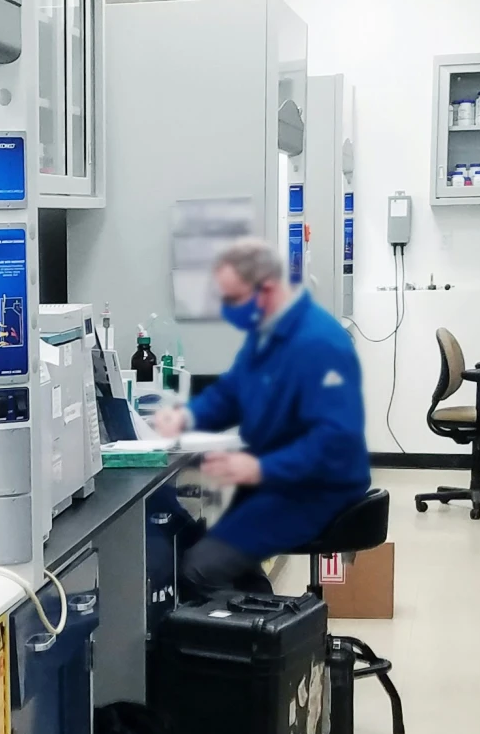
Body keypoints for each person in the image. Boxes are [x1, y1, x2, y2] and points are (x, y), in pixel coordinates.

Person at [152, 237, 370, 596]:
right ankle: (264, 620)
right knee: (201, 537)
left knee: (194, 570)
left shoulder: (318, 344)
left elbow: (334, 441)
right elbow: (233, 393)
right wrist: (186, 419)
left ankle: (252, 641)